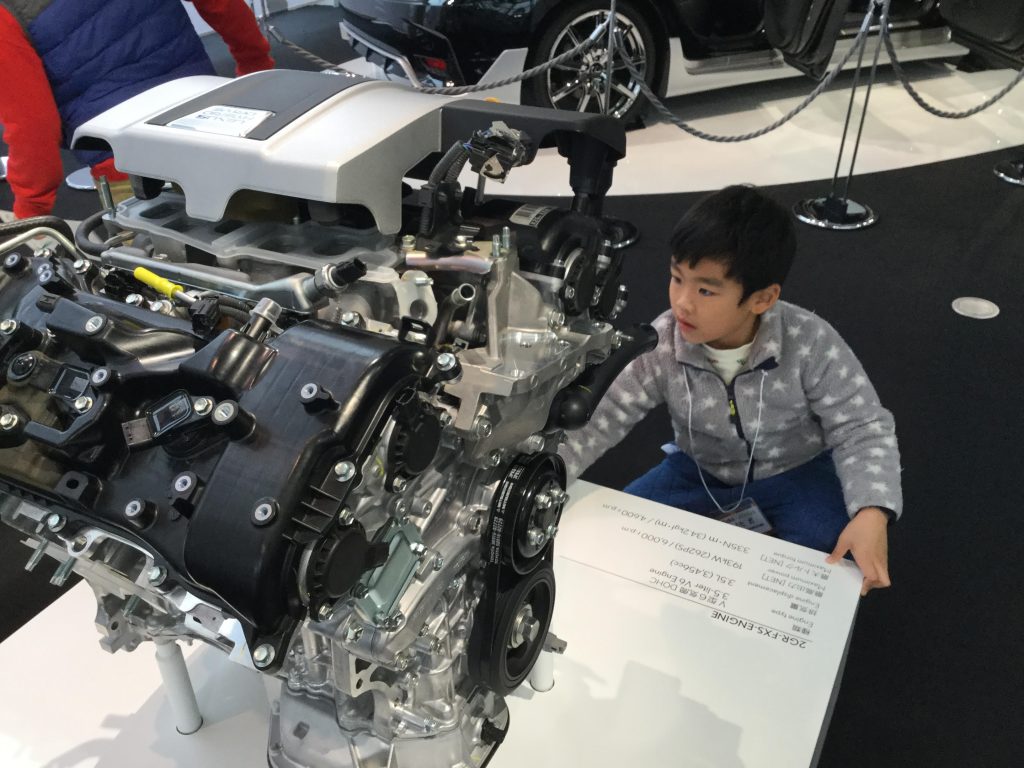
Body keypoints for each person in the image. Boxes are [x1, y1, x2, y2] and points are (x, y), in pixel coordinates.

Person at [560, 185, 901, 595]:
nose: (682, 302)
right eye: (676, 278)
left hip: (796, 473)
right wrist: (548, 476)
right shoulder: (664, 342)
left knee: (829, 549)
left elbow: (862, 426)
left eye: (706, 290)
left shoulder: (809, 342)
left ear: (762, 298)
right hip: (698, 473)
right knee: (620, 529)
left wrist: (872, 511)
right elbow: (602, 417)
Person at [0, 0, 274, 220]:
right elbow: (223, 6)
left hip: (129, 164)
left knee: (165, 266)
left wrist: (31, 213)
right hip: (210, 126)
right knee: (268, 242)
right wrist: (256, 68)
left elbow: (32, 126)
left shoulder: (6, 14)